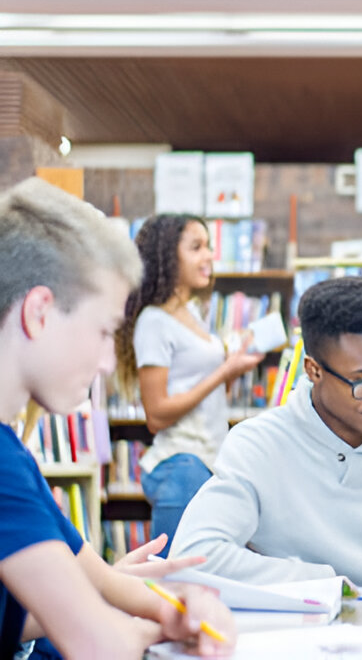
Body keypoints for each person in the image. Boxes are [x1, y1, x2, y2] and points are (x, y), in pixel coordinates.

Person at [0, 178, 234, 659]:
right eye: (104, 330)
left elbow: (99, 575)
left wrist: (170, 606)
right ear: (40, 313)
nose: (108, 361)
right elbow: (99, 649)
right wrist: (169, 627)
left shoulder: (12, 454)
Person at [171, 277, 362, 585]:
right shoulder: (258, 445)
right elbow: (193, 558)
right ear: (313, 370)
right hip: (301, 626)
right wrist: (325, 582)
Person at [115, 214, 263, 555]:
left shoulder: (194, 314)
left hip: (210, 460)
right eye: (196, 247)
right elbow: (157, 415)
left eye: (209, 246)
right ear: (168, 258)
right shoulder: (154, 321)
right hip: (181, 467)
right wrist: (223, 372)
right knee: (176, 579)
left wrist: (232, 368)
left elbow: (207, 395)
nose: (209, 255)